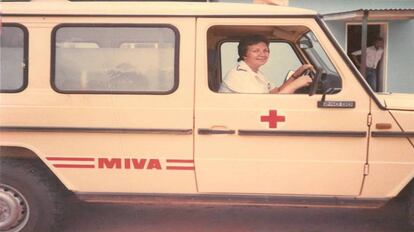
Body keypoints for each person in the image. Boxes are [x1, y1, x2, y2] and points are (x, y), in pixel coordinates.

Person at [219, 34, 313, 94]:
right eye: (256, 51)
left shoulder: (256, 73)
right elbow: (268, 104)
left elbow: (276, 92)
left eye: (265, 50)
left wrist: (295, 76)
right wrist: (296, 85)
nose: (262, 54)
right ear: (244, 55)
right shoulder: (238, 75)